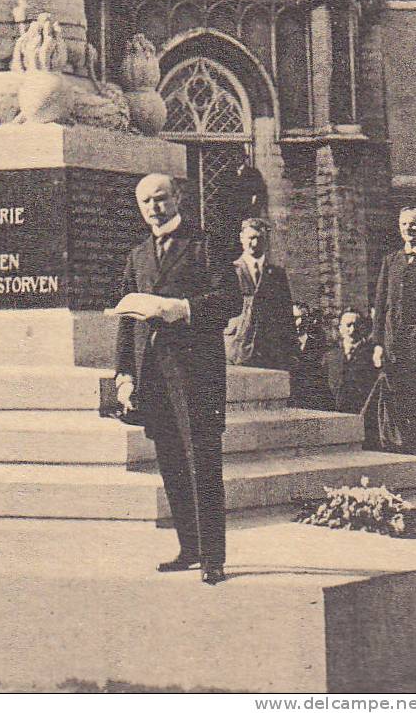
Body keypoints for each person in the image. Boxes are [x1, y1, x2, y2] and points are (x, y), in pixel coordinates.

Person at [113, 173, 241, 585]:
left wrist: (181, 308)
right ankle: (189, 547)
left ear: (177, 198)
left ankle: (213, 557)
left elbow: (230, 300)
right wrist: (124, 376)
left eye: (161, 198)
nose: (154, 207)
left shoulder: (205, 245)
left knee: (202, 463)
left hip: (195, 374)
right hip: (153, 377)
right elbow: (126, 323)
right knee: (170, 463)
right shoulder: (137, 256)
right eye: (146, 202)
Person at [371, 206, 416, 453]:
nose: (409, 228)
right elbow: (379, 304)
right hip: (395, 346)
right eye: (404, 224)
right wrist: (378, 344)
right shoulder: (391, 261)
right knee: (396, 397)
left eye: (414, 224)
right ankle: (403, 448)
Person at [224, 218, 298, 373]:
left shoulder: (277, 274)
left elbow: (286, 316)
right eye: (251, 238)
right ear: (242, 238)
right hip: (237, 348)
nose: (255, 243)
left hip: (270, 352)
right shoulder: (230, 271)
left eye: (260, 238)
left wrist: (291, 350)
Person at [326, 309, 377, 422]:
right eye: (348, 325)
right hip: (334, 418)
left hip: (363, 419)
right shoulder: (330, 357)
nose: (353, 330)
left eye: (356, 325)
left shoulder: (371, 355)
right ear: (340, 328)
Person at [289, 303, 333, 410]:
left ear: (309, 319)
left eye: (303, 318)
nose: (298, 322)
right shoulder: (287, 345)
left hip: (313, 397)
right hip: (292, 397)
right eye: (294, 318)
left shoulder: (318, 344)